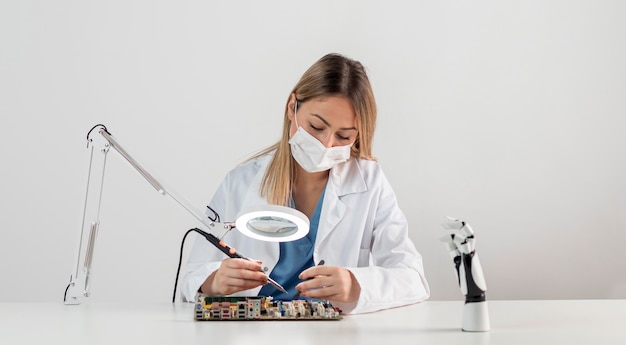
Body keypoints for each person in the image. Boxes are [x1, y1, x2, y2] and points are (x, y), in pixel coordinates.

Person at [181, 53, 429, 314]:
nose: (327, 145)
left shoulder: (369, 183)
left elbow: (413, 278)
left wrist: (356, 285)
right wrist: (214, 281)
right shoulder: (240, 183)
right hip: (253, 331)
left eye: (344, 136)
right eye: (316, 127)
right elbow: (191, 277)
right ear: (292, 107)